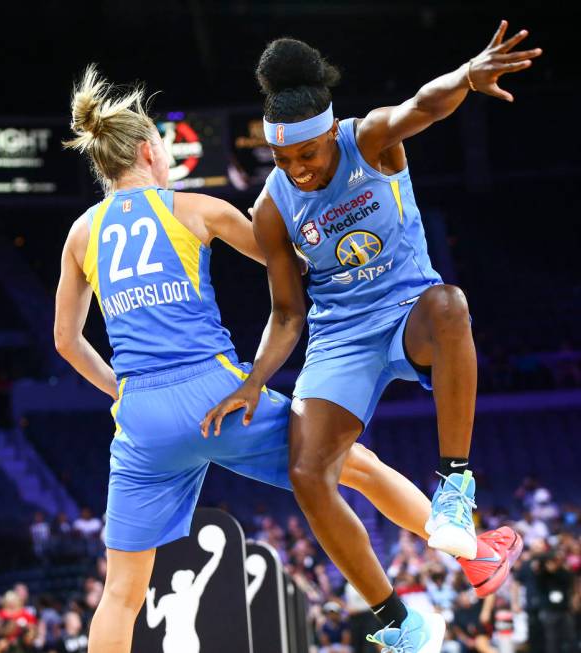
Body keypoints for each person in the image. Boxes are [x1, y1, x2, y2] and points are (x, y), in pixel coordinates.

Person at [55, 66, 523, 653]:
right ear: (151, 151)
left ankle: (436, 585)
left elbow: (66, 342)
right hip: (214, 395)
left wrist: (119, 392)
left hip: (142, 417)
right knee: (353, 467)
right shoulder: (195, 209)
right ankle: (476, 554)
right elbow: (290, 264)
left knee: (121, 594)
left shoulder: (80, 232)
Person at [202, 22, 540, 649]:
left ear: (330, 134)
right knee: (308, 473)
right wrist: (253, 381)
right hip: (340, 337)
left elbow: (424, 105)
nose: (297, 169)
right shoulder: (273, 208)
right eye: (282, 159)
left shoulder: (371, 140)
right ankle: (396, 624)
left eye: (307, 155)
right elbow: (285, 314)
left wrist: (466, 75)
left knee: (450, 304)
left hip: (408, 308)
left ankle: (456, 489)